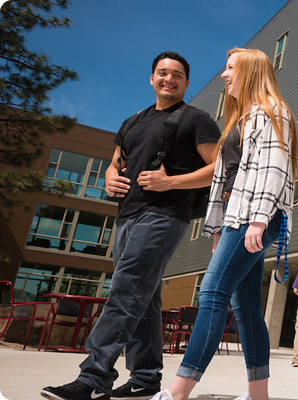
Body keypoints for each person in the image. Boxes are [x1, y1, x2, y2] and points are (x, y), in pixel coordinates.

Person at [41, 51, 221, 400]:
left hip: (164, 215)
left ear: (186, 83)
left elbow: (221, 167)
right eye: (162, 73)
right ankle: (145, 377)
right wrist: (109, 178)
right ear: (151, 78)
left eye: (177, 75)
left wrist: (171, 183)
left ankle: (94, 378)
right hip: (126, 214)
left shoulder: (196, 119)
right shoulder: (133, 120)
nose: (169, 79)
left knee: (126, 290)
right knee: (145, 296)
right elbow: (115, 163)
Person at [151, 47, 298, 400]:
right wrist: (218, 227)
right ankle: (258, 395)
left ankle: (177, 392)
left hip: (255, 217)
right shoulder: (242, 118)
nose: (224, 75)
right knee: (245, 309)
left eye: (230, 68)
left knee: (213, 292)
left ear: (249, 71)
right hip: (238, 218)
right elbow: (226, 178)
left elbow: (274, 169)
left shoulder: (271, 111)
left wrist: (259, 220)